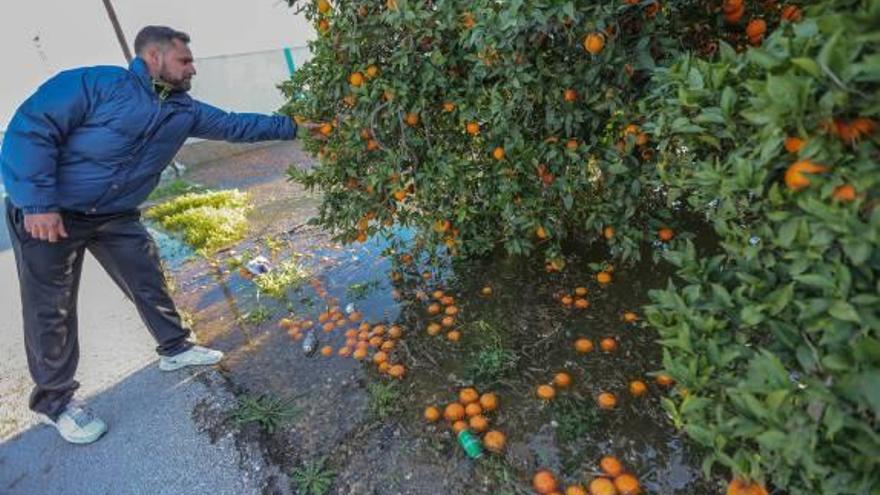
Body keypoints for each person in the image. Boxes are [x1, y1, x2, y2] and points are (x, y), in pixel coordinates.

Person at [1, 26, 307, 445]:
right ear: (153, 57)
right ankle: (56, 403)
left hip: (113, 213)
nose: (192, 67)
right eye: (184, 60)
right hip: (51, 212)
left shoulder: (183, 110)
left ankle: (175, 349)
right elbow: (32, 128)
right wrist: (37, 202)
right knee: (49, 310)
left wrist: (297, 126)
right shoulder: (98, 84)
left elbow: (238, 126)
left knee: (147, 277)